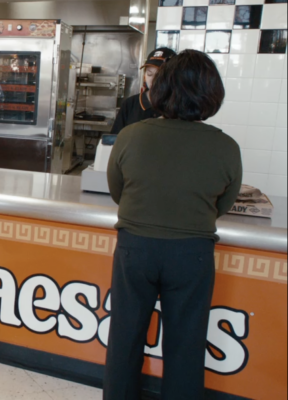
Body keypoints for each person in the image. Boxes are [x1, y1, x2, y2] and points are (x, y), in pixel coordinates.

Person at [103, 50, 243, 399]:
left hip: (135, 247)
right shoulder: (226, 147)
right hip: (192, 254)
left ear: (160, 89)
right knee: (186, 345)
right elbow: (222, 205)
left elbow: (118, 192)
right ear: (212, 93)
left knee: (125, 338)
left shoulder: (131, 136)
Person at [109, 47, 176, 134]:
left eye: (159, 75)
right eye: (149, 74)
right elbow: (115, 138)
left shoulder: (177, 106)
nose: (153, 80)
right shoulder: (130, 104)